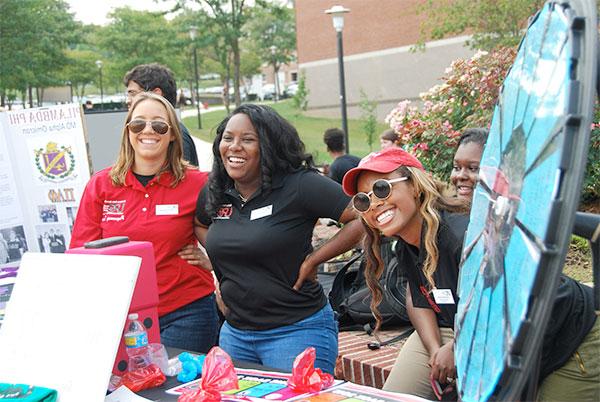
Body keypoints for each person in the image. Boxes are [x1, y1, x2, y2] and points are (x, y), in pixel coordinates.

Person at [195, 104, 363, 374]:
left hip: (296, 331)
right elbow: (200, 225)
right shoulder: (217, 189)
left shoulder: (299, 185)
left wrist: (314, 259)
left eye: (248, 139)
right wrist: (223, 270)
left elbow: (363, 216)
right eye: (228, 138)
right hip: (235, 335)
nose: (234, 146)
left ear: (269, 146)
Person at [450, 128, 599, 402]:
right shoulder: (477, 224)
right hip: (540, 342)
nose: (460, 176)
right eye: (457, 166)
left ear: (500, 174)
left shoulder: (517, 223)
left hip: (580, 336)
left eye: (473, 168)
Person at [70, 92, 218, 353]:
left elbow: (236, 234)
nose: (148, 131)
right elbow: (81, 254)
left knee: (175, 393)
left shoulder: (198, 183)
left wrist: (214, 260)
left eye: (159, 125)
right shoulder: (101, 185)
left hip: (186, 312)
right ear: (128, 131)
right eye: (139, 124)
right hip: (120, 316)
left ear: (172, 134)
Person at [341, 147, 469, 399]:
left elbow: (501, 307)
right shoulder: (406, 244)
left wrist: (456, 347)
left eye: (381, 188)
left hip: (513, 328)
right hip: (453, 326)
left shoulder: (460, 234)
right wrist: (435, 351)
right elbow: (418, 298)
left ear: (414, 185)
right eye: (363, 200)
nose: (374, 204)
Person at [124, 63, 199, 167]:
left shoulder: (179, 137)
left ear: (156, 94)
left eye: (133, 93)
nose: (128, 100)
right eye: (136, 125)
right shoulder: (102, 181)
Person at [450, 128, 488, 199]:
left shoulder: (510, 208)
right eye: (457, 168)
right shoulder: (439, 209)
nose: (460, 176)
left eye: (473, 168)